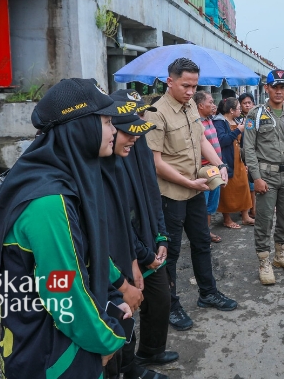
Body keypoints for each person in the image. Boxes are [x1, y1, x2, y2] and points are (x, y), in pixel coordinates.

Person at [0, 78, 132, 377]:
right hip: (53, 352)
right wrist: (107, 341)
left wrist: (114, 291)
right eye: (106, 121)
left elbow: (84, 249)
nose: (115, 130)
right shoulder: (49, 202)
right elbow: (62, 290)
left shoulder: (65, 177)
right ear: (81, 128)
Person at [144, 58, 237, 332]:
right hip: (171, 193)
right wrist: (188, 181)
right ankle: (170, 306)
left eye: (194, 86)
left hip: (196, 188)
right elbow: (156, 162)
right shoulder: (156, 113)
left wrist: (219, 164)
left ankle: (207, 293)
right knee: (169, 254)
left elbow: (201, 140)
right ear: (169, 81)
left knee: (201, 244)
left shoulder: (190, 108)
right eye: (185, 85)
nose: (190, 91)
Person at [109, 89, 179, 375]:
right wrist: (140, 255)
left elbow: (153, 194)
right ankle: (129, 367)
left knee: (160, 300)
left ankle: (150, 352)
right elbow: (118, 219)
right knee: (126, 310)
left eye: (141, 115)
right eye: (132, 117)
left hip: (149, 243)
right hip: (126, 251)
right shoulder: (110, 155)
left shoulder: (139, 144)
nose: (138, 125)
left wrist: (161, 237)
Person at [243, 69, 284, 286]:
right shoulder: (256, 114)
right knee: (264, 220)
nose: (279, 91)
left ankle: (281, 255)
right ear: (267, 88)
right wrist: (256, 177)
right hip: (266, 177)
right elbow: (248, 148)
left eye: (282, 87)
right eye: (275, 87)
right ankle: (264, 261)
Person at [214, 97, 253, 228]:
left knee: (244, 186)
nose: (240, 110)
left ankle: (245, 216)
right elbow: (222, 141)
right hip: (227, 159)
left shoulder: (236, 120)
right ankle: (227, 219)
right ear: (231, 110)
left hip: (238, 158)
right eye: (238, 108)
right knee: (228, 190)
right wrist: (238, 130)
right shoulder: (219, 122)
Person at [194, 91, 222, 243]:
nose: (213, 105)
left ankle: (207, 231)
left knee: (211, 204)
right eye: (210, 102)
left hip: (214, 168)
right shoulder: (195, 123)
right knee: (202, 204)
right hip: (203, 170)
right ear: (200, 105)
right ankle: (202, 235)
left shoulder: (209, 119)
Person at [238, 93, 257, 218]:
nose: (247, 105)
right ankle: (248, 210)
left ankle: (253, 210)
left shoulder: (258, 118)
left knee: (253, 185)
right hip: (241, 156)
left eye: (249, 102)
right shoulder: (237, 119)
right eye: (244, 103)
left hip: (254, 155)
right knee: (246, 185)